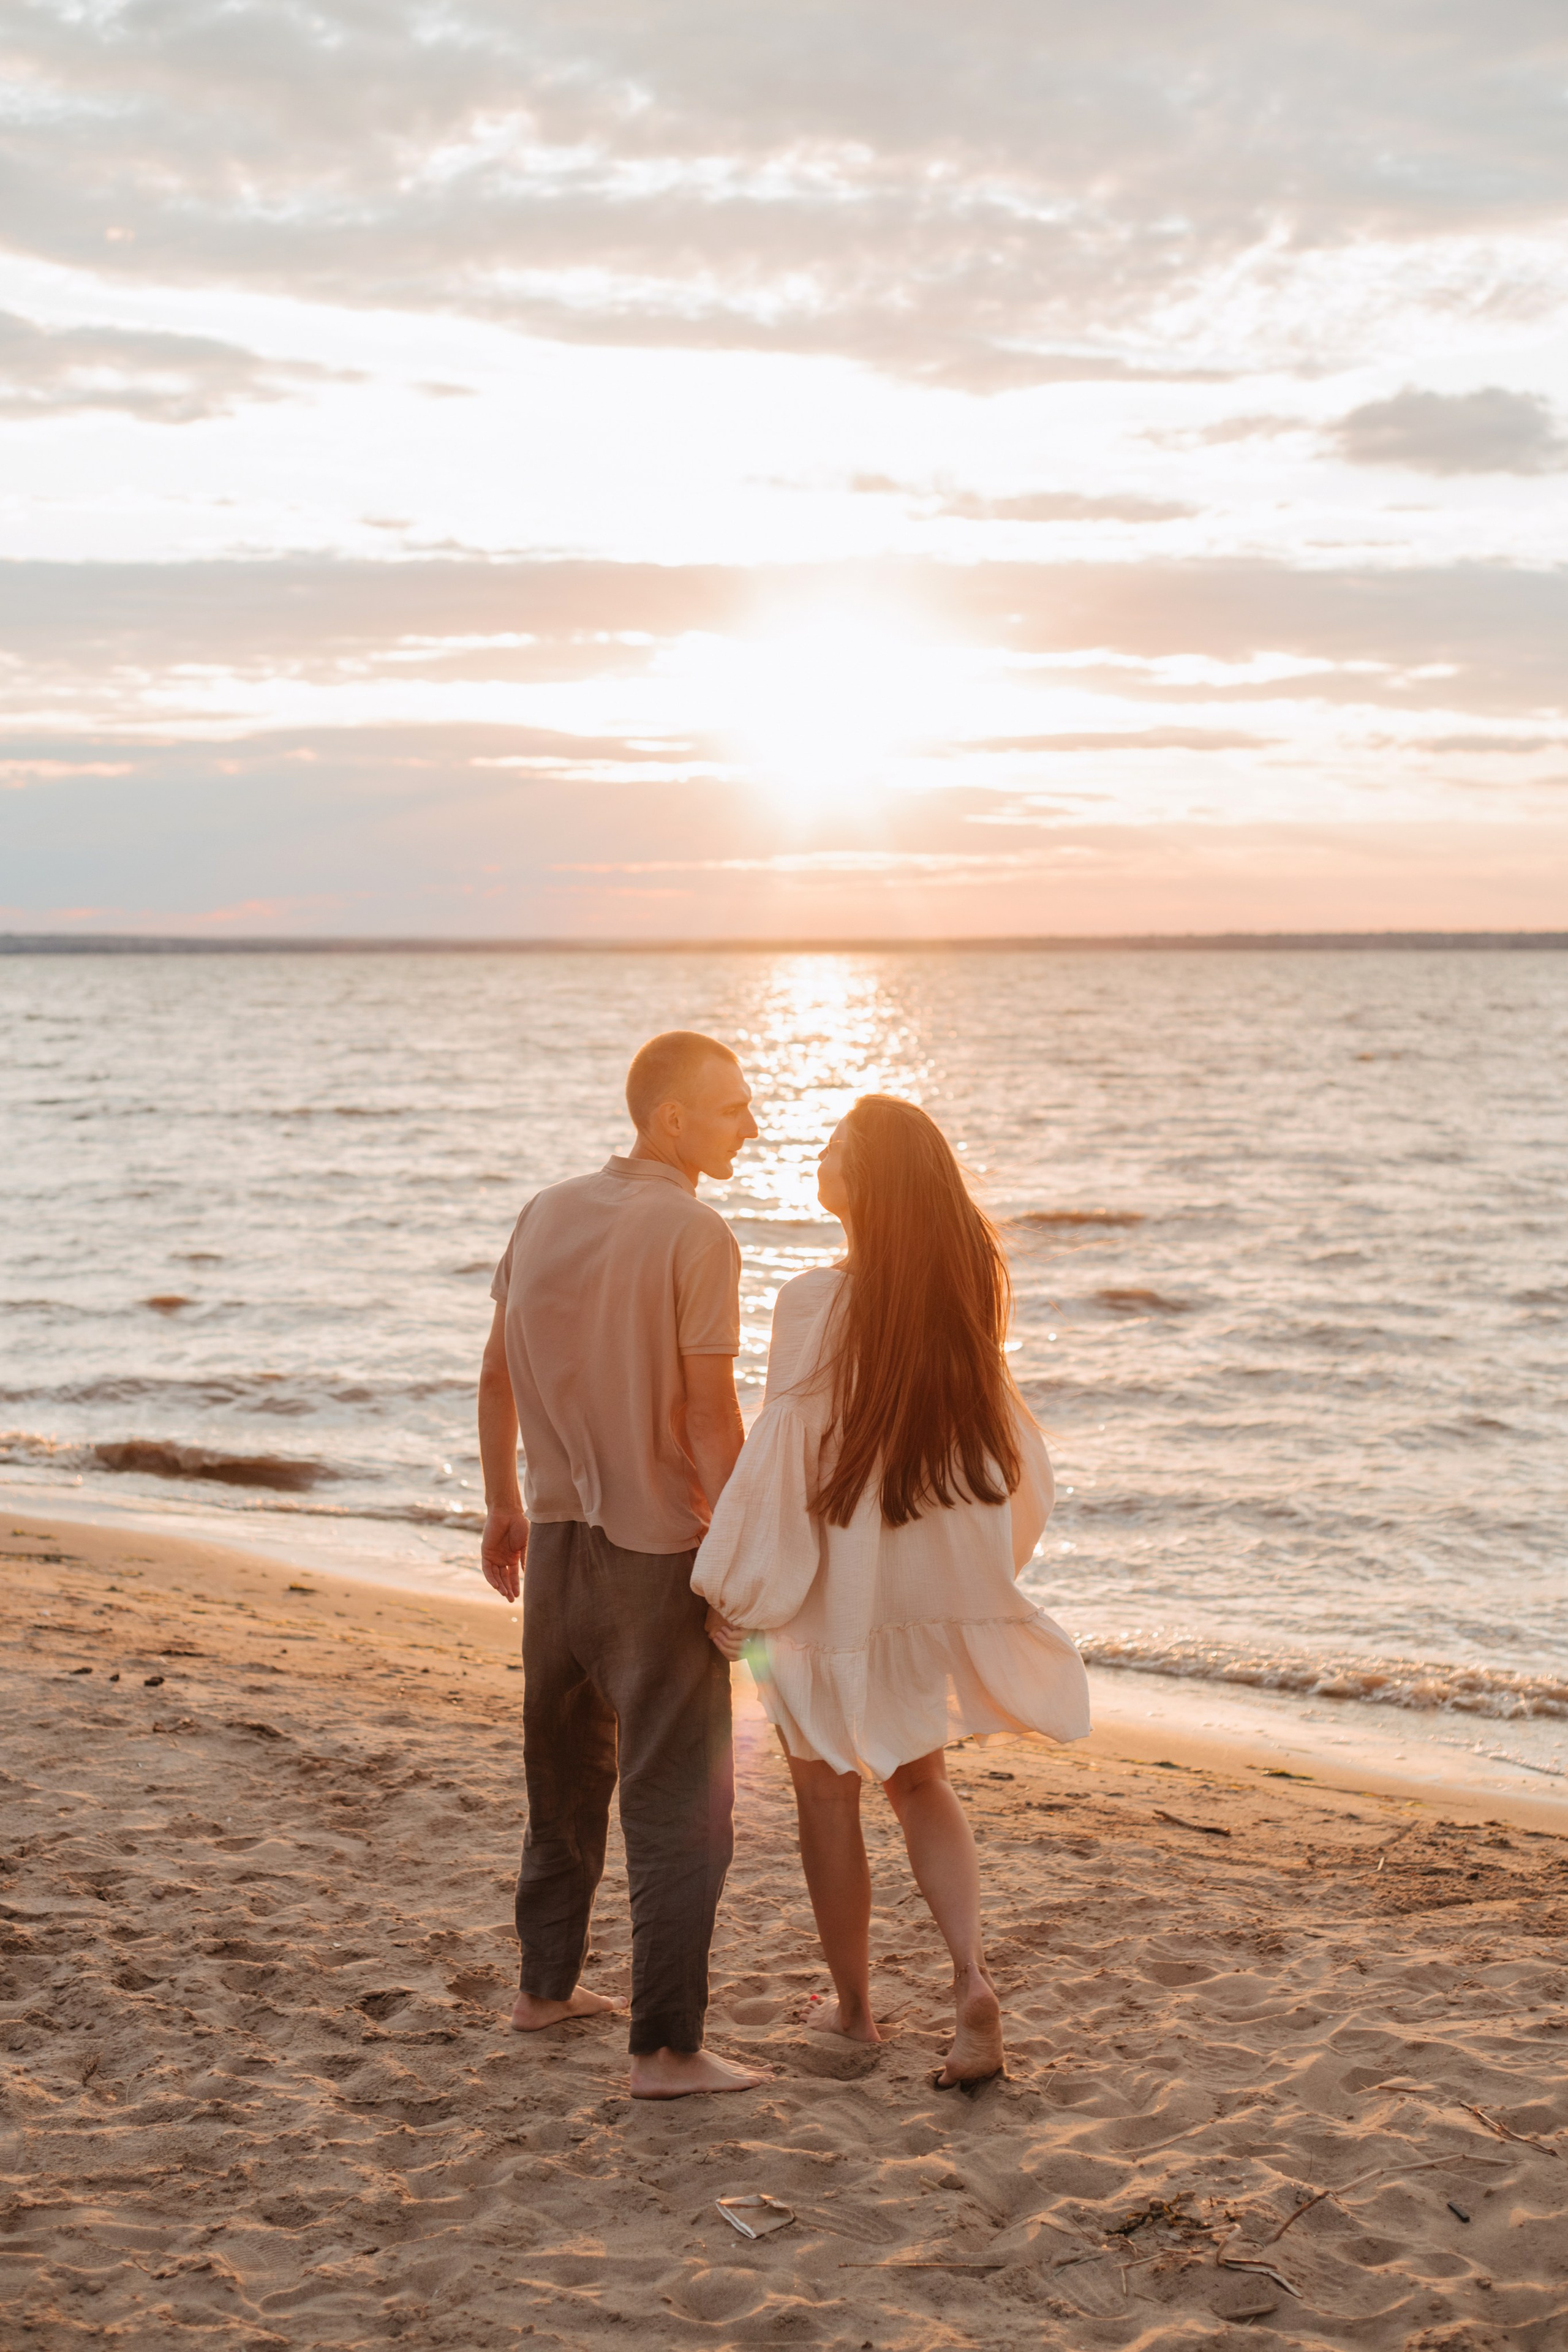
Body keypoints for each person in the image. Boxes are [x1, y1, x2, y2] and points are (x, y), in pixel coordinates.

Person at [693, 1095, 1090, 2087]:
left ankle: (858, 2015)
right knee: (922, 1784)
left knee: (826, 1800)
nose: (817, 1158)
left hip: (830, 1595)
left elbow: (781, 1467)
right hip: (918, 1585)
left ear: (864, 1183)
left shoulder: (814, 1300)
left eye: (833, 1149)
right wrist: (982, 1569)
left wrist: (734, 1588)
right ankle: (969, 1980)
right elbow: (1011, 1451)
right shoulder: (958, 1295)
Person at [477, 1030, 767, 2100]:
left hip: (555, 1550)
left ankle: (543, 1990)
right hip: (655, 1559)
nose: (754, 1124)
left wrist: (505, 1506)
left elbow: (497, 1376)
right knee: (679, 1803)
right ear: (672, 1119)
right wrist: (744, 1557)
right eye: (735, 1107)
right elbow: (708, 1418)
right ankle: (666, 2052)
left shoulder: (546, 1209)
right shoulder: (697, 1233)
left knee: (561, 1782)